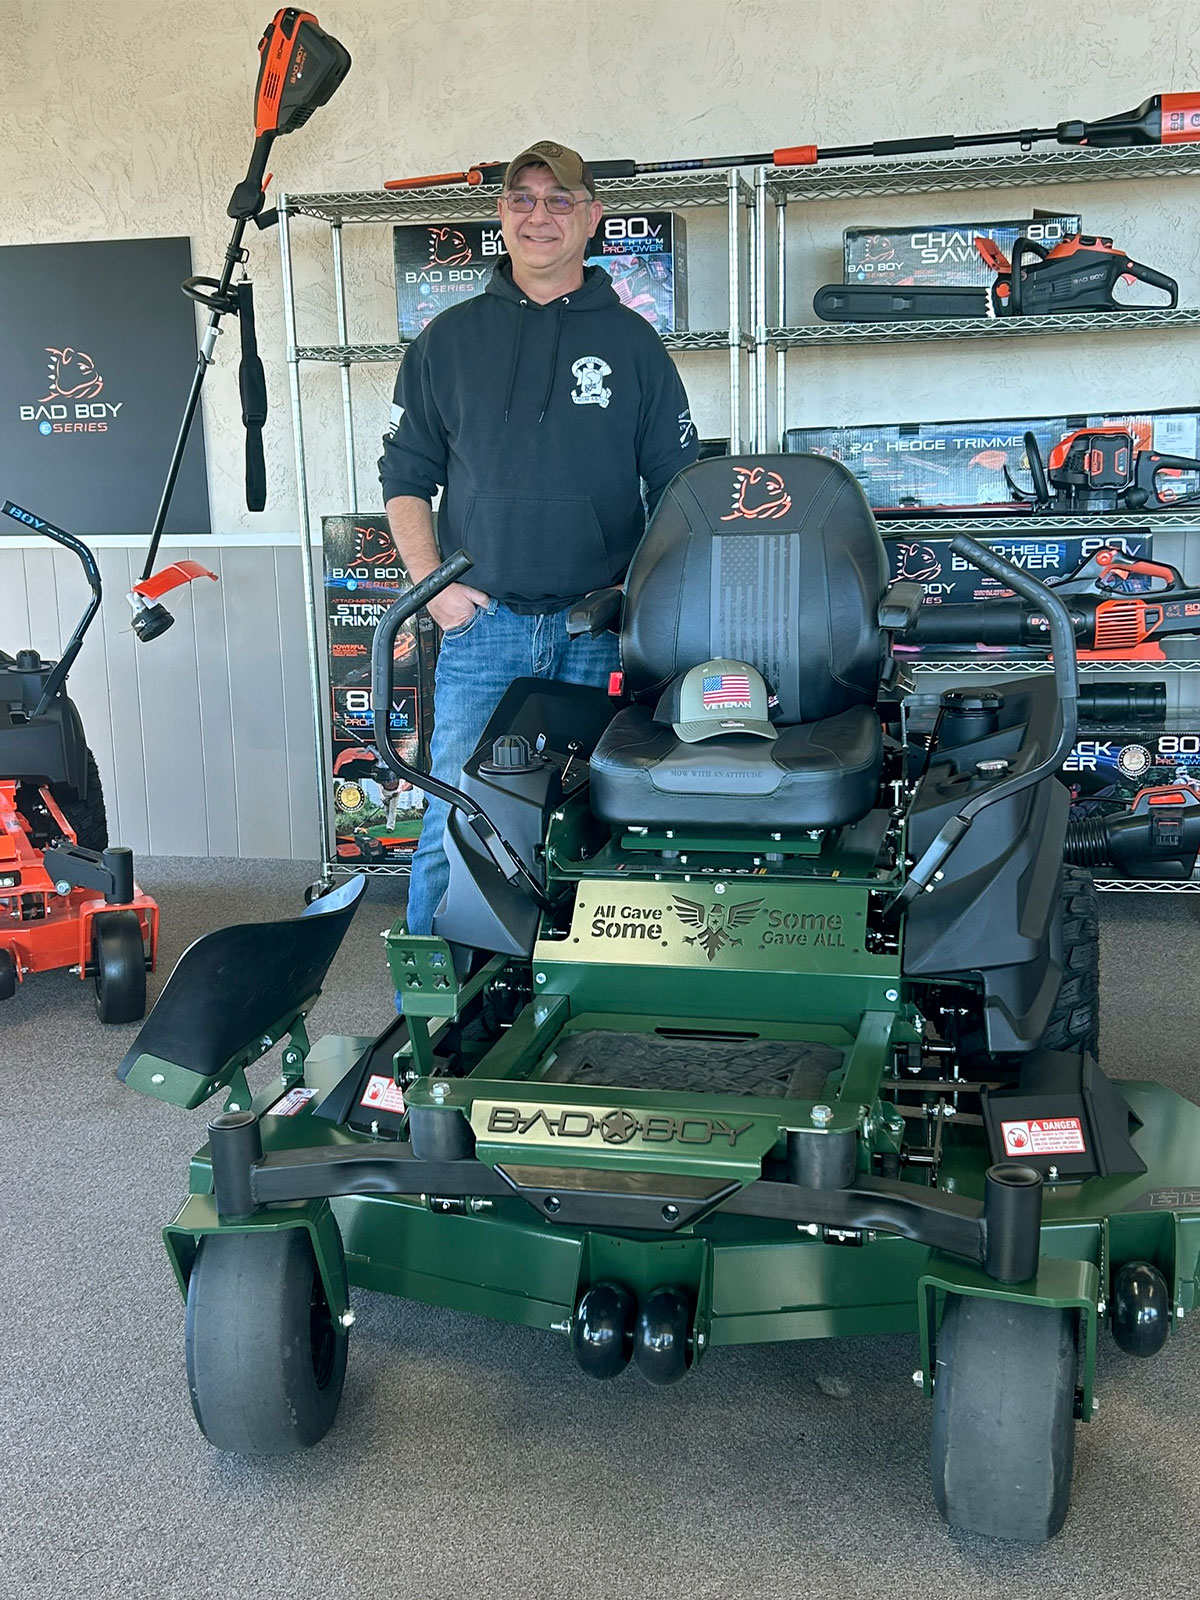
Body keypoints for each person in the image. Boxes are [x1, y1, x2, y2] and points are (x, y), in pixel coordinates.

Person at [379, 139, 699, 940]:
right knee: (454, 820)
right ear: (501, 217)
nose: (540, 216)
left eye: (559, 200)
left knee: (594, 824)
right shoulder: (444, 343)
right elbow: (404, 477)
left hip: (601, 634)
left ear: (591, 217)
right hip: (481, 630)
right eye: (522, 199)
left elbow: (679, 492)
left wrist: (641, 605)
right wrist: (436, 591)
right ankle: (433, 1008)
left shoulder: (635, 347)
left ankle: (558, 993)